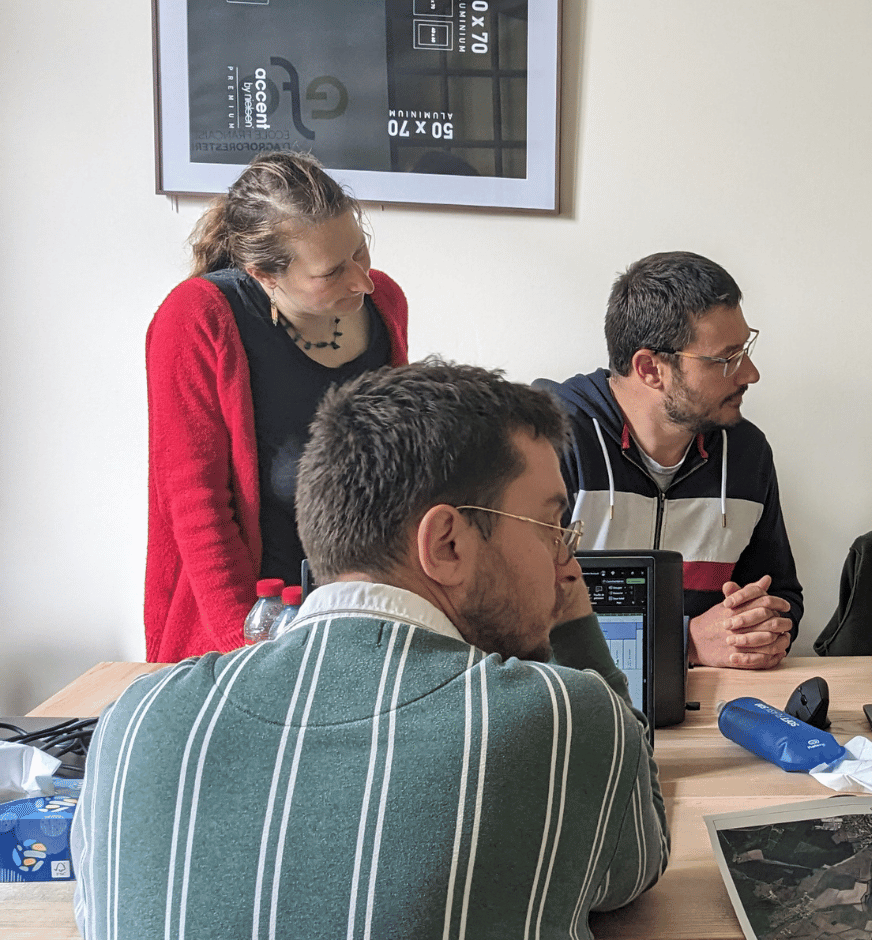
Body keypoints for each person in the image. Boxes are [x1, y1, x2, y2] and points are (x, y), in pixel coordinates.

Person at [74, 360, 666, 939]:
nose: (566, 560)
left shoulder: (135, 719)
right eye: (550, 528)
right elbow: (635, 861)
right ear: (447, 543)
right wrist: (571, 633)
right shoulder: (562, 720)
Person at [145, 150, 410, 662]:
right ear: (264, 274)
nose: (362, 280)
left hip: (359, 618)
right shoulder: (198, 318)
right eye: (332, 271)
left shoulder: (385, 304)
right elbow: (197, 510)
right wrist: (247, 653)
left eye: (361, 251)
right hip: (248, 631)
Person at [535, 251, 802, 670]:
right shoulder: (546, 446)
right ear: (650, 369)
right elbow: (510, 627)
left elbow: (782, 596)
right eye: (726, 359)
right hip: (580, 705)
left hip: (710, 707)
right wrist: (685, 643)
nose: (750, 373)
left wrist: (764, 626)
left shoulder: (747, 453)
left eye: (746, 348)